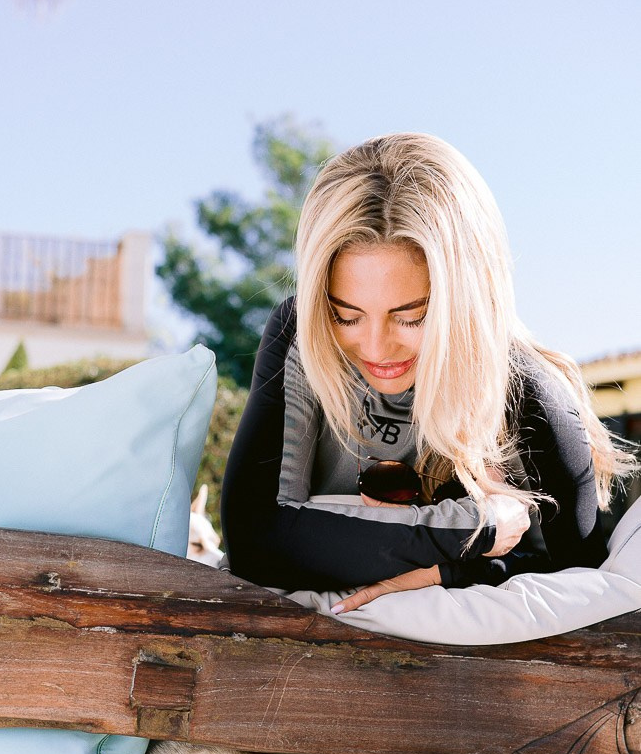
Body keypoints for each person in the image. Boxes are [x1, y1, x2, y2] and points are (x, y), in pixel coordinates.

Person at [221, 133, 635, 613]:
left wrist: (454, 569)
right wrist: (481, 528)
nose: (376, 347)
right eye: (347, 316)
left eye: (412, 317)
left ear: (468, 300)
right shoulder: (298, 334)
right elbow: (254, 541)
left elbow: (577, 580)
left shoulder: (530, 392)